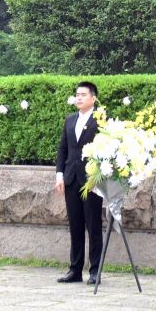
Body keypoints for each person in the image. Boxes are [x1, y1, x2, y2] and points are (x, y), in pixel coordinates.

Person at [54, 80, 103, 284]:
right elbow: (63, 150)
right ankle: (75, 270)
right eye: (77, 94)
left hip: (91, 180)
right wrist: (59, 175)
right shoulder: (70, 120)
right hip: (72, 179)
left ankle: (95, 271)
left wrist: (99, 176)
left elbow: (106, 150)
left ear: (93, 98)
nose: (79, 98)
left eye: (83, 94)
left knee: (93, 226)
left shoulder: (101, 120)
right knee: (75, 225)